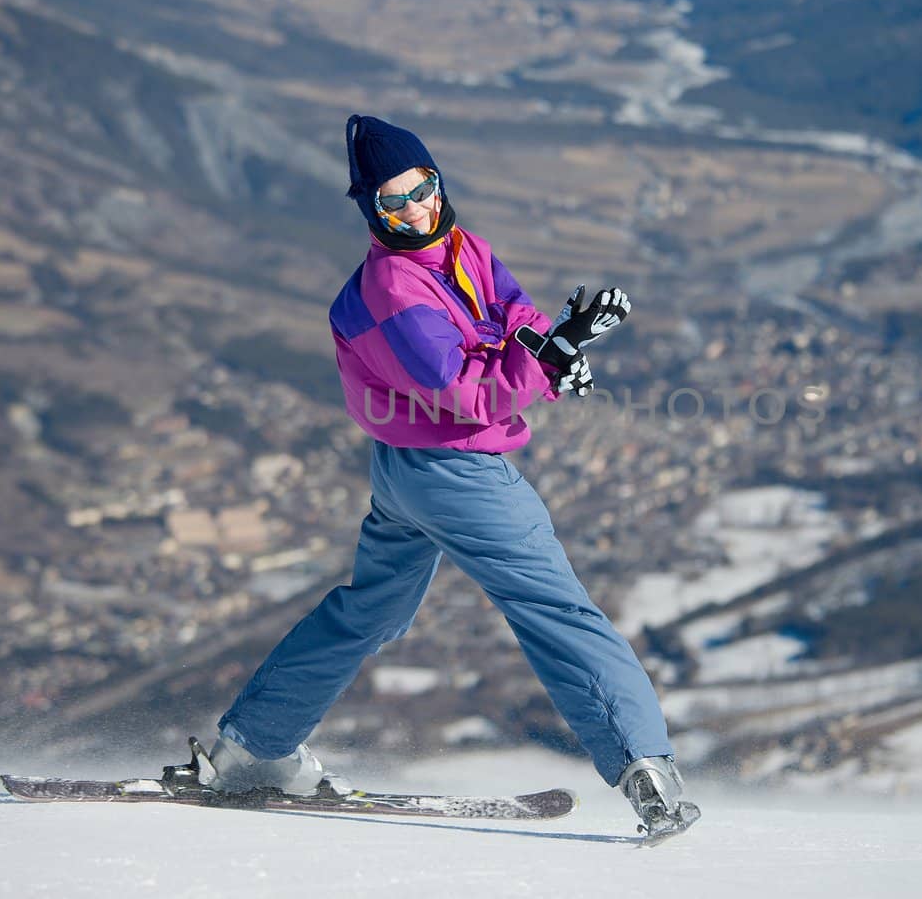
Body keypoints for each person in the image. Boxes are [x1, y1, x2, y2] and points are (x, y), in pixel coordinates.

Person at [201, 114, 699, 838]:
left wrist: (554, 351)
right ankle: (643, 765)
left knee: (370, 608)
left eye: (423, 188)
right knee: (554, 608)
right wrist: (546, 360)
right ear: (370, 210)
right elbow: (464, 391)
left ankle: (253, 747)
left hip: (405, 473)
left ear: (439, 181)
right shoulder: (394, 289)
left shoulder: (460, 248)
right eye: (393, 201)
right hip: (454, 468)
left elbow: (514, 316)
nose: (416, 209)